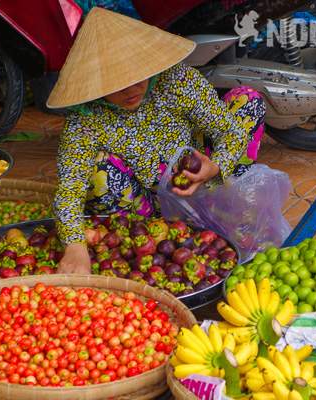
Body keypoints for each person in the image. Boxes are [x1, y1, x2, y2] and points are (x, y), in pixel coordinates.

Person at [47, 7, 266, 274]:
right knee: (99, 173)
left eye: (138, 76)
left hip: (201, 178)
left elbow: (229, 132)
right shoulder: (85, 120)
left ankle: (225, 202)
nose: (131, 89)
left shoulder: (175, 80)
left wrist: (216, 166)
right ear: (95, 83)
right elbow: (70, 189)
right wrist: (75, 245)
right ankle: (155, 234)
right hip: (147, 206)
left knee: (248, 101)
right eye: (116, 84)